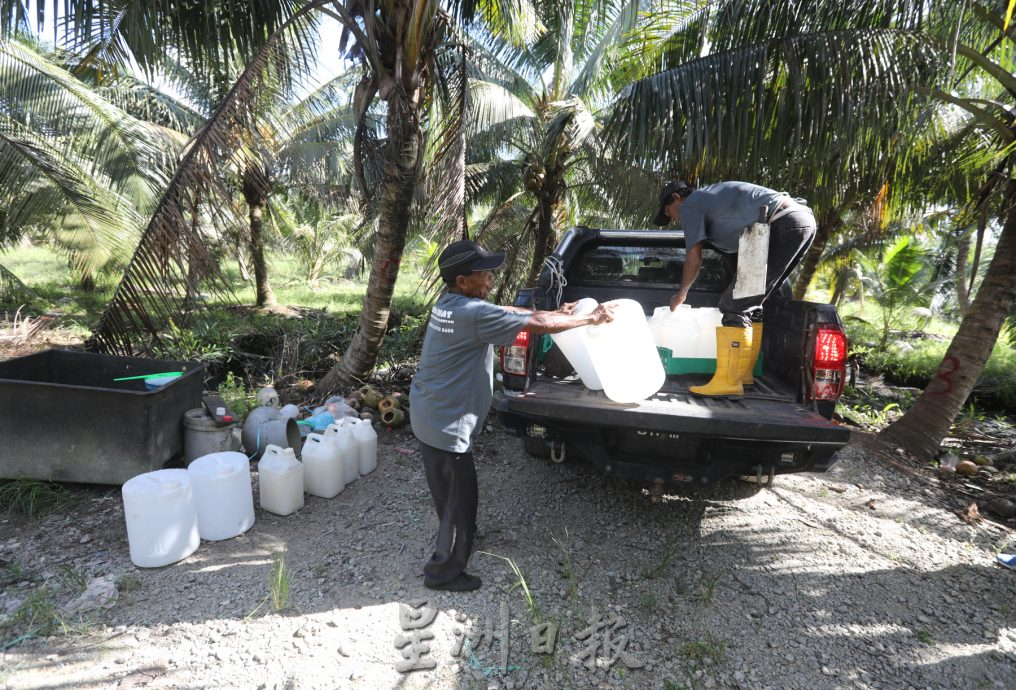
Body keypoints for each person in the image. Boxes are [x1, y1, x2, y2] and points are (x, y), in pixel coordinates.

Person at [410, 239, 613, 592]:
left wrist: (562, 314)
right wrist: (588, 318)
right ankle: (443, 572)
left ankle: (461, 532)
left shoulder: (450, 304)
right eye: (484, 273)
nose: (490, 278)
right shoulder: (472, 313)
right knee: (460, 495)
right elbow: (534, 321)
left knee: (448, 492)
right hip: (447, 424)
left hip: (429, 412)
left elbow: (507, 311)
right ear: (462, 280)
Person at [653, 180, 815, 398]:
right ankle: (742, 376)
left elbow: (694, 257)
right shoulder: (714, 203)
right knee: (751, 304)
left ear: (676, 197)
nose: (674, 218)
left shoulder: (691, 205)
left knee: (734, 305)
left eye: (669, 211)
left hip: (782, 223)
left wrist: (681, 293)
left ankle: (728, 383)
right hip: (800, 221)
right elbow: (738, 253)